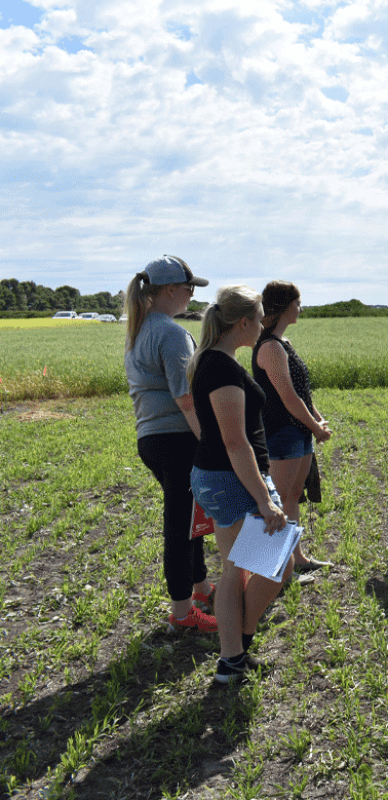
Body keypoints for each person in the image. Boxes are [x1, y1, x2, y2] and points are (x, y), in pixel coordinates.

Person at [188, 285, 291, 684]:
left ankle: (232, 659)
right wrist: (265, 500)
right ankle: (240, 642)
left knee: (237, 570)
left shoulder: (215, 361)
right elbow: (235, 441)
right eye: (261, 315)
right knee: (276, 565)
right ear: (243, 322)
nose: (265, 321)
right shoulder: (222, 368)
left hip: (217, 477)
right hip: (233, 480)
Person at [123, 255, 218, 633]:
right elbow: (186, 399)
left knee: (192, 519)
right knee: (181, 525)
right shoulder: (171, 332)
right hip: (176, 439)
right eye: (189, 287)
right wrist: (210, 444)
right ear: (169, 290)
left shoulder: (142, 328)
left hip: (152, 439)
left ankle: (201, 589)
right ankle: (182, 613)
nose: (192, 295)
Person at [252, 281, 333, 573]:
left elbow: (301, 392)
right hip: (280, 432)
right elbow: (287, 396)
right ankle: (269, 569)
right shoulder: (270, 347)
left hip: (297, 431)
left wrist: (317, 419)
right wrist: (315, 427)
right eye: (298, 303)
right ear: (285, 307)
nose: (301, 308)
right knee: (276, 502)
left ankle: (296, 559)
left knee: (292, 496)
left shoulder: (283, 343)